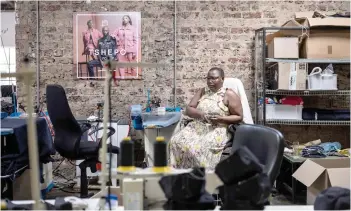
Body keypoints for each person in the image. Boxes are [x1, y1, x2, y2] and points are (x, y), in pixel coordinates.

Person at [169, 67, 243, 170]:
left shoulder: (229, 94)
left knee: (198, 147)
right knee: (175, 141)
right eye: (208, 78)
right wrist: (201, 115)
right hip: (196, 127)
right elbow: (189, 109)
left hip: (217, 129)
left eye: (214, 78)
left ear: (222, 79)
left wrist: (220, 119)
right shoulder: (203, 91)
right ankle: (181, 175)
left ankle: (202, 177)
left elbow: (239, 117)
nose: (210, 81)